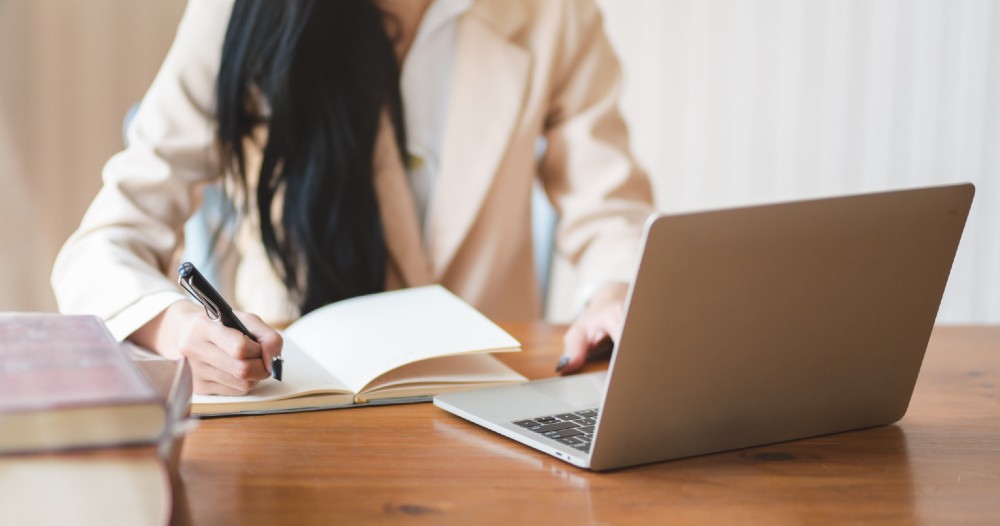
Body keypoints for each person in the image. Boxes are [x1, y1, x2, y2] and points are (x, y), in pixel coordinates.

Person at [52, 0, 654, 396]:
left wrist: (613, 292)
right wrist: (176, 328)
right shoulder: (237, 13)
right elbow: (103, 245)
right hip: (295, 400)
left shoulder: (555, 14)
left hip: (487, 401)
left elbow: (610, 212)